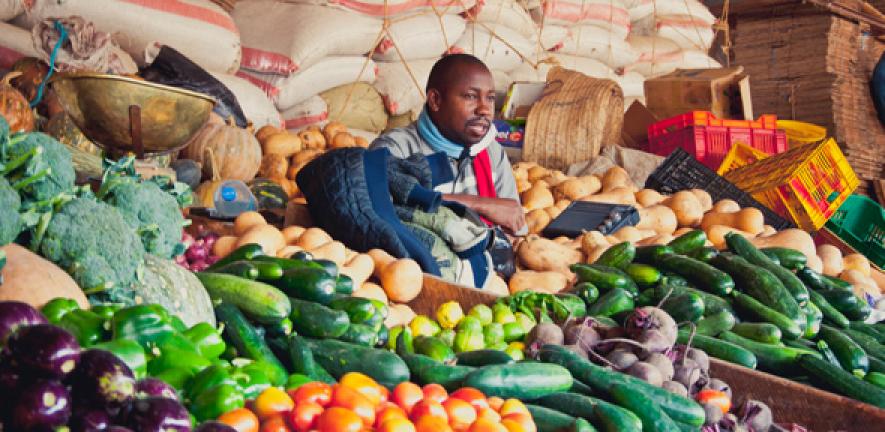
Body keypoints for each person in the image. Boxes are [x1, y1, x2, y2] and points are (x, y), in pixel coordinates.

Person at [370, 54, 527, 235]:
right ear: (435, 100)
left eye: (490, 98)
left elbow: (512, 226)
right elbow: (379, 212)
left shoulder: (492, 152)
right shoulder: (395, 149)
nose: (484, 109)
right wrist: (479, 204)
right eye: (470, 96)